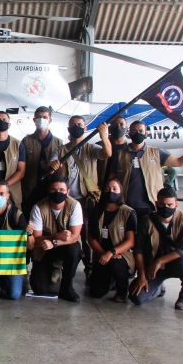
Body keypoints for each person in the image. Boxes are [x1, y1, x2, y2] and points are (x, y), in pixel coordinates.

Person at [49, 117, 112, 273]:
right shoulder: (61, 149)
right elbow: (51, 163)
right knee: (67, 231)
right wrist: (53, 164)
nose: (76, 127)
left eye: (80, 125)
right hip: (67, 200)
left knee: (88, 233)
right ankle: (61, 264)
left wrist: (104, 136)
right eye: (73, 125)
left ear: (85, 128)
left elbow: (107, 153)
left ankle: (90, 265)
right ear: (68, 128)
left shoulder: (91, 148)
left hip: (87, 199)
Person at [113, 120, 183, 219]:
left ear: (146, 133)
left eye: (141, 131)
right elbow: (112, 178)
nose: (137, 133)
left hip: (152, 205)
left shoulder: (156, 152)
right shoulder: (119, 154)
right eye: (134, 131)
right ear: (129, 133)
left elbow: (179, 162)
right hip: (126, 206)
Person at [129, 187, 183, 309]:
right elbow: (138, 250)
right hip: (153, 267)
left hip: (175, 263)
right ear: (156, 204)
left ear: (176, 204)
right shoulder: (147, 221)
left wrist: (160, 261)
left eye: (170, 205)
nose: (165, 208)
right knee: (136, 297)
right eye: (161, 204)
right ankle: (158, 288)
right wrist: (141, 276)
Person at [29, 176, 83, 302]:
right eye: (53, 190)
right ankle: (52, 268)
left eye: (61, 190)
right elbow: (36, 238)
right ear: (48, 191)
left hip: (64, 247)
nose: (57, 193)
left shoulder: (75, 206)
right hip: (43, 249)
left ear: (68, 192)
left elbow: (74, 236)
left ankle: (67, 287)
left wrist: (54, 242)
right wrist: (57, 236)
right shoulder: (38, 207)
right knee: (39, 289)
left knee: (75, 250)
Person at [86, 179, 137, 302]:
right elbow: (91, 238)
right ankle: (111, 280)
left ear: (120, 191)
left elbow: (131, 241)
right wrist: (103, 254)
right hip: (101, 253)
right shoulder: (96, 210)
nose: (111, 191)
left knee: (115, 263)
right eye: (108, 188)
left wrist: (111, 253)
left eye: (114, 188)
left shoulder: (128, 212)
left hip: (121, 254)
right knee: (96, 292)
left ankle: (122, 290)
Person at [21, 106, 62, 215]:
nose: (41, 120)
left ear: (50, 120)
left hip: (52, 188)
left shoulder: (59, 143)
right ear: (34, 120)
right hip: (30, 188)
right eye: (39, 117)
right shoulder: (26, 141)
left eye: (45, 117)